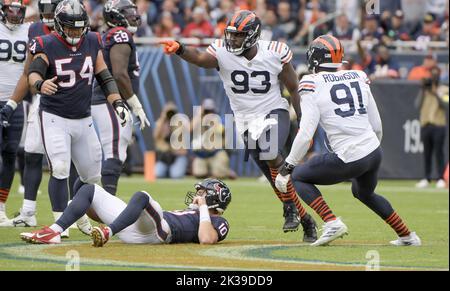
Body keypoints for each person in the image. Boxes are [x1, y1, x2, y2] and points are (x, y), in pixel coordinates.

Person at [160, 10, 317, 242]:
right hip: (244, 121)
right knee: (275, 177)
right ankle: (306, 221)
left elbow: (293, 88)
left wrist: (303, 122)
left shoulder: (274, 52)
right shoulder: (223, 52)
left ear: (253, 36)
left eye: (238, 35)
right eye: (231, 35)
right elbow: (202, 59)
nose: (232, 40)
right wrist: (181, 49)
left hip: (274, 110)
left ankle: (288, 208)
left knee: (271, 151)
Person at [275, 35, 421, 247]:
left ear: (314, 58)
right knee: (363, 192)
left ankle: (331, 222)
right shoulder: (358, 75)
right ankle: (408, 236)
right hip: (373, 151)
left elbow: (306, 133)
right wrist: (370, 149)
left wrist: (287, 167)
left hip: (350, 154)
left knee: (299, 177)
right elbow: (377, 124)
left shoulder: (311, 82)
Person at [24, 0, 131, 235]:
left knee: (92, 176)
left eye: (79, 28)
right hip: (54, 116)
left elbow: (104, 75)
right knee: (60, 168)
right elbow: (33, 72)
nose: (75, 32)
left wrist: (118, 102)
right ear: (60, 25)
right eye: (70, 28)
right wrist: (40, 84)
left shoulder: (92, 40)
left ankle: (77, 212)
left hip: (84, 118)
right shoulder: (47, 43)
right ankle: (60, 225)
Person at [21, 178, 231, 246]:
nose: (198, 195)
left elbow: (205, 239)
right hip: (134, 228)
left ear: (214, 199)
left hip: (160, 233)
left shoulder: (219, 221)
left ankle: (107, 233)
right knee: (87, 188)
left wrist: (203, 208)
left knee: (142, 196)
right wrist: (92, 209)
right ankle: (54, 231)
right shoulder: (197, 211)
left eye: (203, 193)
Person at [91, 0, 149, 196]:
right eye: (127, 12)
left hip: (102, 100)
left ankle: (89, 202)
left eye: (134, 11)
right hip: (110, 101)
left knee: (109, 153)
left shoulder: (110, 34)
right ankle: (107, 204)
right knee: (115, 152)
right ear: (115, 15)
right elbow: (119, 74)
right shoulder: (119, 34)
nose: (134, 15)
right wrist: (135, 104)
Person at [0, 0, 29, 226]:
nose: (14, 15)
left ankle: (0, 210)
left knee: (10, 155)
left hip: (15, 102)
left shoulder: (28, 30)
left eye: (18, 11)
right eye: (11, 10)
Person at [415, 66, 448, 189]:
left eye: (435, 75)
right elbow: (417, 105)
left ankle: (440, 178)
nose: (433, 77)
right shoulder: (425, 90)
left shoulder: (444, 89)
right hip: (425, 124)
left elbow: (445, 105)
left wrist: (436, 93)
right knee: (427, 153)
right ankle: (426, 178)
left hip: (438, 124)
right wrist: (423, 90)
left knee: (439, 152)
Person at [191, 98, 235, 179]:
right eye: (206, 111)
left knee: (219, 175)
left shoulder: (219, 120)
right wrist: (199, 114)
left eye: (210, 111)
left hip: (216, 152)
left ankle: (225, 171)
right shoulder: (199, 121)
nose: (209, 113)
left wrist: (214, 124)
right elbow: (191, 129)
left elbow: (223, 132)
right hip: (202, 154)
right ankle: (211, 172)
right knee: (199, 174)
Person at [154, 102, 188, 179]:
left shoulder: (181, 125)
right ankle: (167, 170)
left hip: (177, 157)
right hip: (164, 158)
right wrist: (163, 118)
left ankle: (171, 170)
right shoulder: (160, 124)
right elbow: (155, 136)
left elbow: (184, 150)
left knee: (176, 175)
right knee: (157, 173)